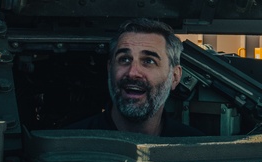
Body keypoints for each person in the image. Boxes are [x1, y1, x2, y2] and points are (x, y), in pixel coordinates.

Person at [66, 18, 202, 137]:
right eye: (124, 59)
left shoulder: (196, 148)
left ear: (175, 76)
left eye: (149, 61)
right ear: (109, 69)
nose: (132, 72)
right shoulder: (70, 145)